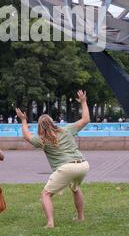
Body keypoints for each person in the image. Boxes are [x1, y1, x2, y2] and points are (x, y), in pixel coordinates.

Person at [16, 90, 90, 228]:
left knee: (46, 194)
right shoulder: (67, 129)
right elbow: (85, 119)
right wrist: (84, 102)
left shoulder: (42, 140)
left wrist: (24, 120)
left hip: (67, 168)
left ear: (39, 126)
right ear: (52, 122)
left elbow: (26, 136)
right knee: (75, 188)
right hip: (83, 164)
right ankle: (80, 217)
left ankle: (50, 223)